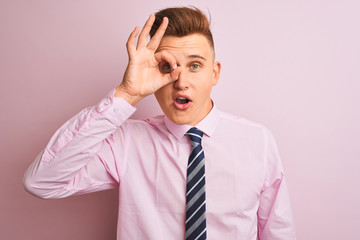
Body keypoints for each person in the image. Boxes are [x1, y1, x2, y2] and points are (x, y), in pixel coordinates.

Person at [23, 6, 296, 240]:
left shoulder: (257, 141)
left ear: (215, 73)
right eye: (167, 66)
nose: (181, 81)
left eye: (195, 65)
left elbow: (277, 232)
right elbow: (42, 182)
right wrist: (127, 94)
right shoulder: (127, 142)